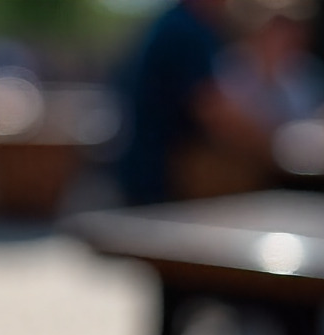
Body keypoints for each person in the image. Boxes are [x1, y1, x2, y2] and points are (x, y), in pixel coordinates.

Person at [110, 0, 275, 204]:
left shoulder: (181, 23)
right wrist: (275, 145)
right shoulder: (187, 29)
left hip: (153, 174)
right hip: (160, 180)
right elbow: (213, 111)